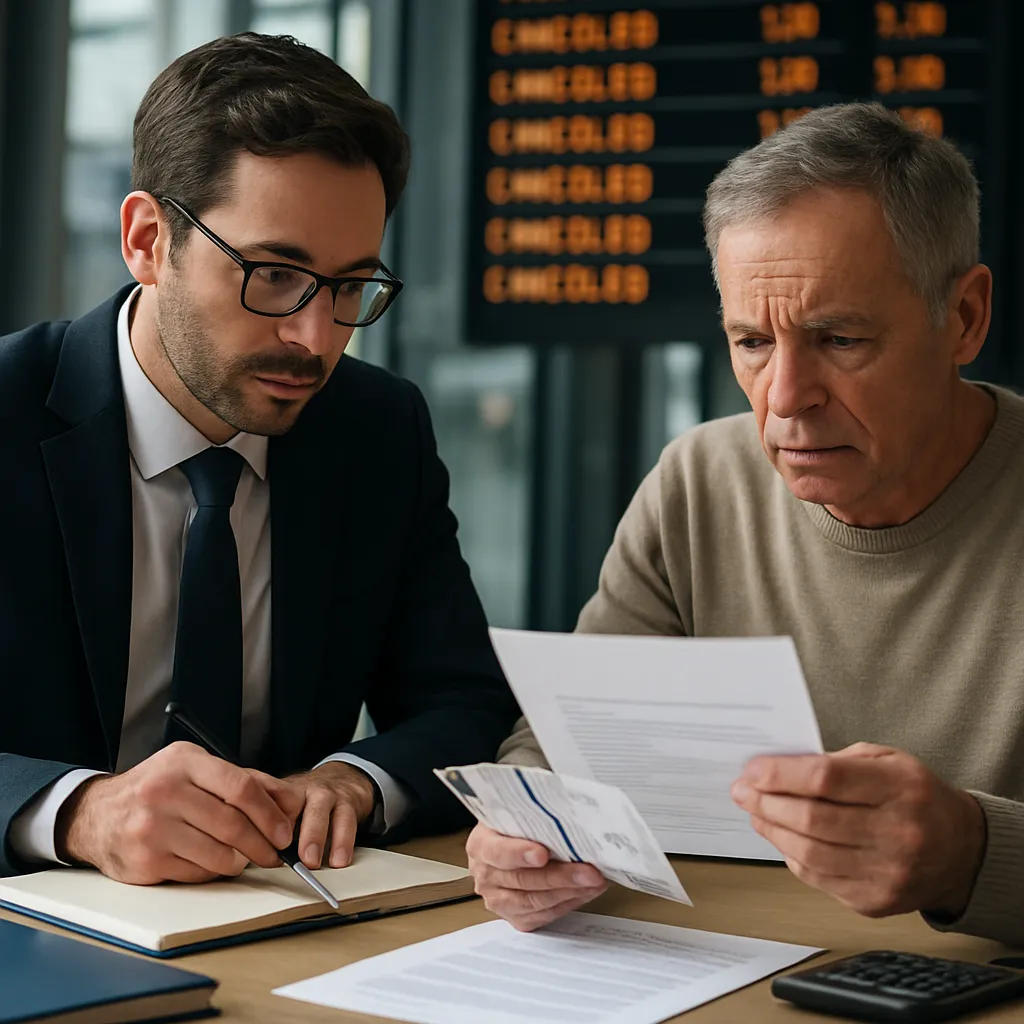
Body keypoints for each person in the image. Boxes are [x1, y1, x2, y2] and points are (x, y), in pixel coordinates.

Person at [469, 102, 1024, 946]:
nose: (785, 399)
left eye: (839, 339)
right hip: (722, 972)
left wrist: (971, 855)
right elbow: (558, 745)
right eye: (751, 342)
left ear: (966, 318)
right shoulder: (700, 480)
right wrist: (525, 833)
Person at [0, 32, 519, 884]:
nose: (315, 339)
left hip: (282, 923)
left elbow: (465, 703)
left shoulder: (377, 429)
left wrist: (356, 781)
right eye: (274, 274)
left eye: (351, 287)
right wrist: (78, 814)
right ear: (146, 240)